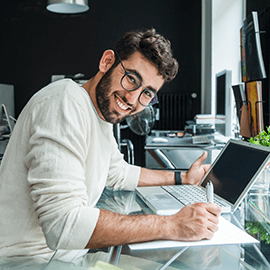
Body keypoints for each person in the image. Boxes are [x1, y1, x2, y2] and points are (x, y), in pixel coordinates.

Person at [0, 28, 221, 261]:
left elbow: (118, 173)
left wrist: (182, 178)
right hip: (27, 262)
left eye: (147, 93)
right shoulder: (64, 102)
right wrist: (171, 225)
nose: (133, 100)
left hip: (66, 257)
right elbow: (63, 224)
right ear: (107, 62)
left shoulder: (101, 115)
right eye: (131, 79)